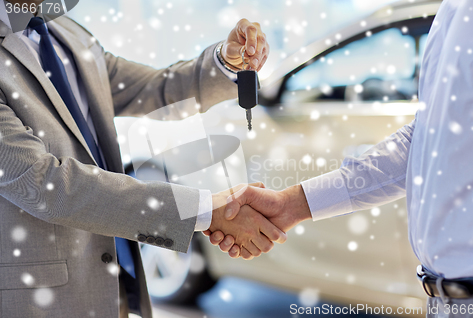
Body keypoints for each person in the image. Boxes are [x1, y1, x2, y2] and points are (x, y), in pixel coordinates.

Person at [207, 0, 473, 317]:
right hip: (446, 299)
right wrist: (290, 204)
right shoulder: (453, 10)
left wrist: (195, 214)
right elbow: (426, 139)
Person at [0, 1, 284, 317]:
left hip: (109, 283)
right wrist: (203, 210)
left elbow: (155, 89)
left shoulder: (66, 31)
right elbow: (45, 185)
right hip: (39, 300)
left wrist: (224, 62)